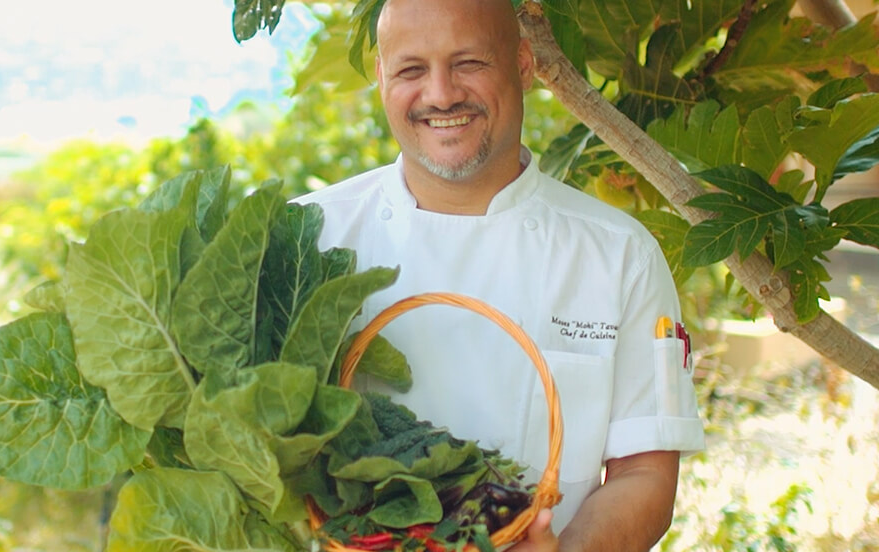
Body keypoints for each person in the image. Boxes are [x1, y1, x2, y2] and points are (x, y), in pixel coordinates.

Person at [293, 0, 706, 549]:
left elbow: (644, 474)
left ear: (524, 64)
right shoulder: (307, 240)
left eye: (468, 63)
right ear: (380, 77)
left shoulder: (618, 255)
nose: (440, 94)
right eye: (412, 70)